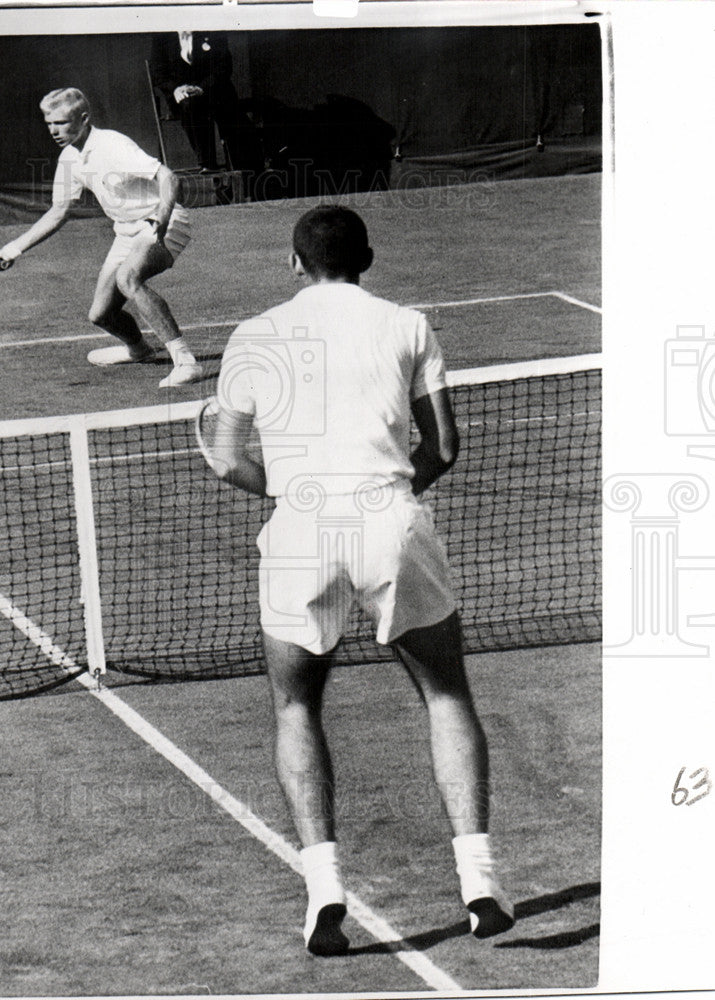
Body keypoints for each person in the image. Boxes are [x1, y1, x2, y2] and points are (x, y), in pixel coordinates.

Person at [208, 206, 514, 955]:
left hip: (301, 529)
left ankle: (323, 892)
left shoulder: (252, 335)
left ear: (292, 263)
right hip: (390, 522)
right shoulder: (407, 324)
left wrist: (290, 492)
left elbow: (223, 458)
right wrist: (387, 495)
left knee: (294, 708)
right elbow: (443, 445)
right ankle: (479, 881)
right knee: (445, 695)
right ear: (367, 258)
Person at [0, 87, 203, 388]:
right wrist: (13, 249)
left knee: (128, 279)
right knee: (101, 314)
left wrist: (161, 219)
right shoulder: (69, 159)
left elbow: (169, 177)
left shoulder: (112, 145)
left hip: (162, 221)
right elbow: (58, 212)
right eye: (49, 123)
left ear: (84, 118)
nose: (53, 130)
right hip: (126, 230)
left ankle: (185, 362)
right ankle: (139, 350)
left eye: (61, 123)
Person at [149, 32, 257, 173]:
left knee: (234, 120)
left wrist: (201, 88)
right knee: (191, 104)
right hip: (181, 97)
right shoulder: (162, 37)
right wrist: (176, 89)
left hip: (213, 93)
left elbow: (223, 67)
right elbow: (158, 72)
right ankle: (207, 163)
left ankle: (241, 176)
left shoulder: (212, 32)